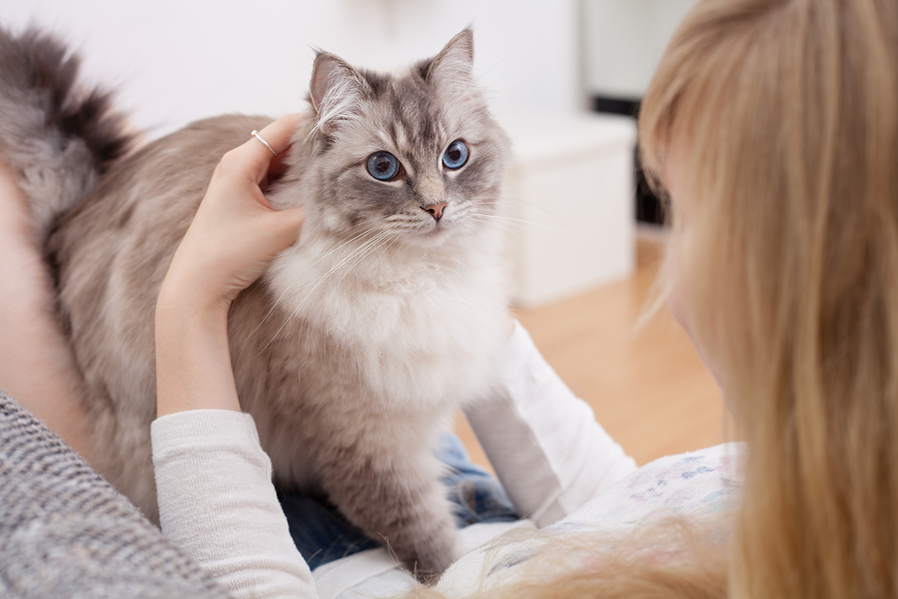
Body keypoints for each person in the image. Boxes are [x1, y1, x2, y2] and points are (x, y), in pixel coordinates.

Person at [1, 0, 896, 597]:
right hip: (462, 497)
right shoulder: (777, 493)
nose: (433, 196)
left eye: (686, 210)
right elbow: (616, 505)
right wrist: (452, 284)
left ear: (798, 277)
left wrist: (191, 298)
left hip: (320, 537)